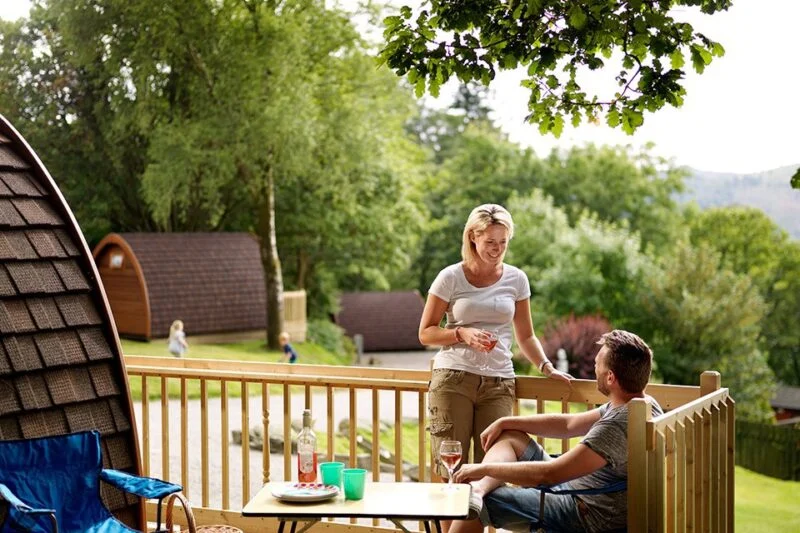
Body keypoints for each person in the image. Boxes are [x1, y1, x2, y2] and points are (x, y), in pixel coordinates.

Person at [418, 203, 573, 486]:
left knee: (493, 472)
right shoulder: (450, 277)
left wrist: (547, 367)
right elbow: (425, 333)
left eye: (503, 242)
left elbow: (526, 336)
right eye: (490, 241)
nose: (497, 248)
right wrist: (461, 333)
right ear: (472, 238)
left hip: (498, 383)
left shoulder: (517, 279)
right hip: (454, 379)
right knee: (452, 470)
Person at [450, 330, 664, 533]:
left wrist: (483, 468)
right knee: (511, 437)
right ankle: (479, 489)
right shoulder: (639, 403)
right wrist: (506, 422)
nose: (594, 367)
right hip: (578, 488)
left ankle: (478, 494)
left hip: (584, 511)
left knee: (477, 507)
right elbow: (569, 425)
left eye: (597, 364)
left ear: (610, 377)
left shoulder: (617, 425)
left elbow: (549, 474)